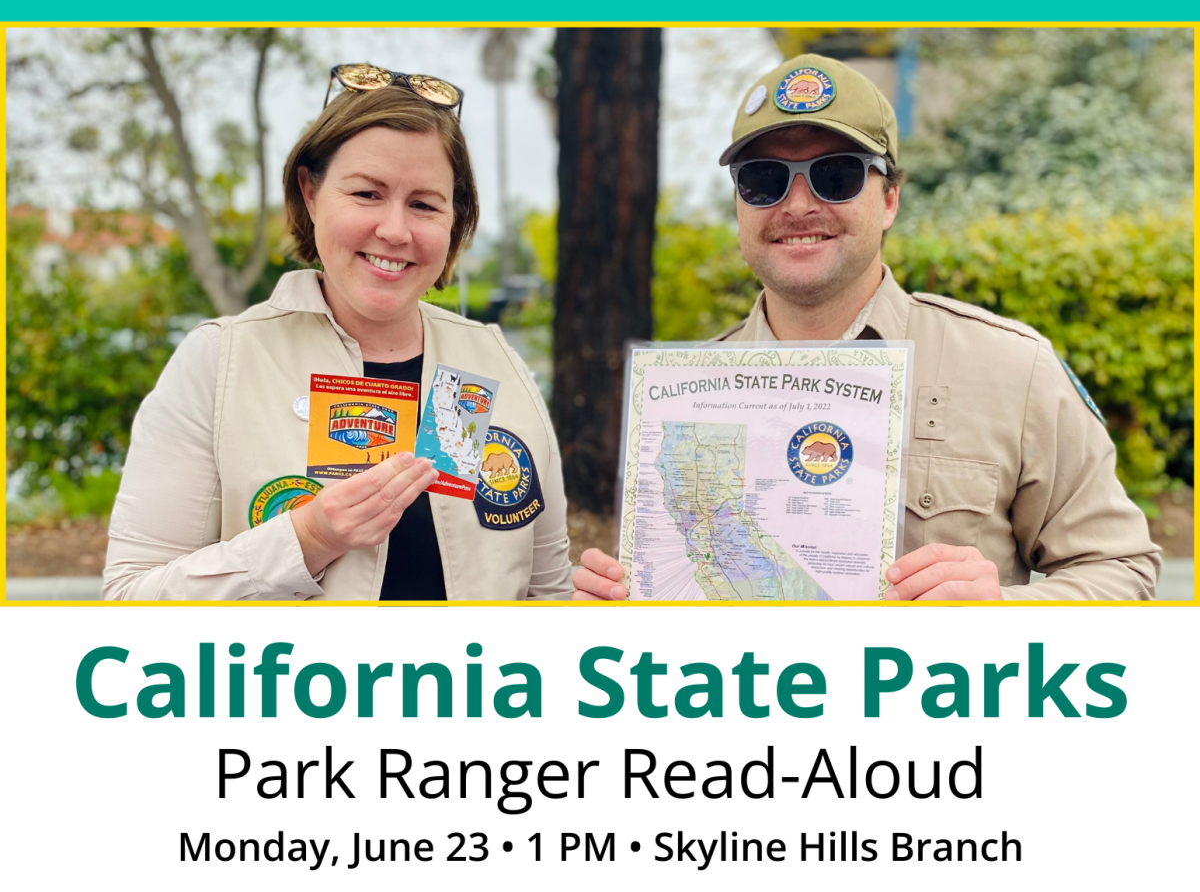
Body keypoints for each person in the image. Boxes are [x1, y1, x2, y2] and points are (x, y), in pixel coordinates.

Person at [575, 52, 1162, 602]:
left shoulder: (1011, 369)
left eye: (836, 175)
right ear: (738, 206)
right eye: (763, 178)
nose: (797, 204)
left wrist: (1006, 611)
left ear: (889, 200)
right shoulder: (682, 402)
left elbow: (1122, 569)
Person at [104, 65, 608, 601]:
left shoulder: (494, 360)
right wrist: (308, 538)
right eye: (367, 194)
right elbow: (129, 600)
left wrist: (585, 611)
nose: (394, 230)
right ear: (310, 192)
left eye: (423, 204)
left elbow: (545, 596)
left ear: (454, 220)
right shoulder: (222, 360)